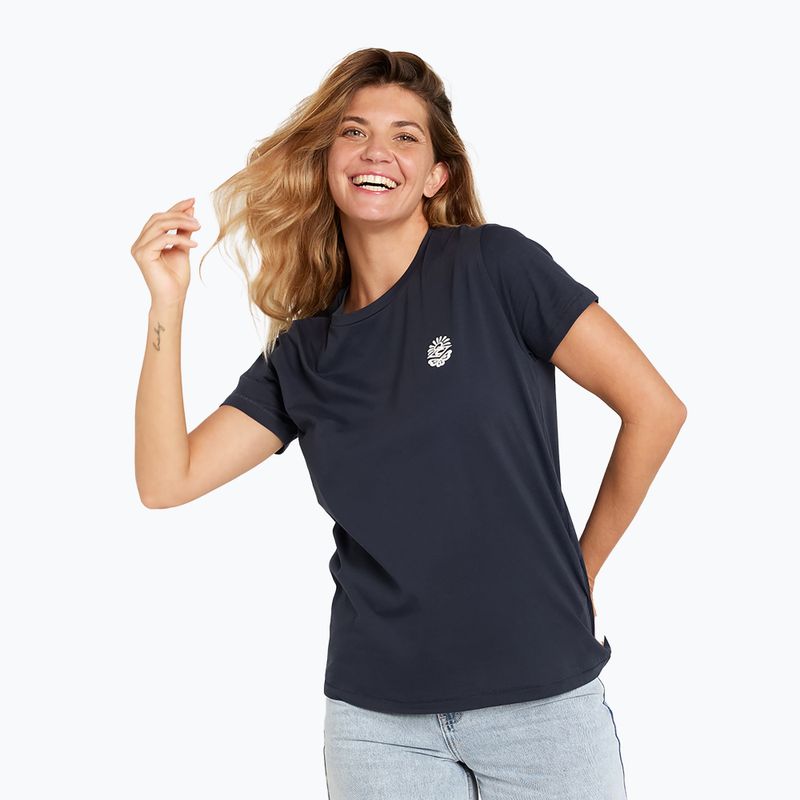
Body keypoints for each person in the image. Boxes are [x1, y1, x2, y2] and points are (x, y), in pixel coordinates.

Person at [131, 48, 686, 800]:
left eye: (405, 136)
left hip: (542, 700)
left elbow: (654, 408)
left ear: (436, 176)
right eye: (354, 132)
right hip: (376, 724)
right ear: (327, 161)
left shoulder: (495, 268)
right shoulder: (305, 352)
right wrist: (167, 302)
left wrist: (581, 569)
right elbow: (166, 480)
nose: (376, 152)